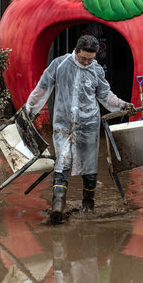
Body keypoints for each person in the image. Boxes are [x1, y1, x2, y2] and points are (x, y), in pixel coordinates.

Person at [25, 35, 134, 221]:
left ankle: (88, 206)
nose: (86, 62)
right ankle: (58, 206)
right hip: (63, 124)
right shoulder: (59, 64)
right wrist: (29, 109)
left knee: (89, 164)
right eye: (83, 58)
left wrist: (122, 105)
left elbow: (105, 95)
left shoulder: (97, 70)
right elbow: (43, 87)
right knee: (63, 160)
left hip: (89, 123)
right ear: (76, 51)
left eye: (90, 59)